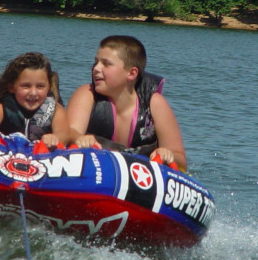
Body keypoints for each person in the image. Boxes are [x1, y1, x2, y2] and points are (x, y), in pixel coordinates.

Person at [66, 35, 187, 169]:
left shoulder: (155, 104)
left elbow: (180, 160)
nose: (96, 68)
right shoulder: (86, 94)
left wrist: (167, 154)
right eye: (96, 62)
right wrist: (79, 138)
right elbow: (71, 131)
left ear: (132, 73)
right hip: (96, 170)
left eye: (106, 64)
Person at [0, 52, 69, 149]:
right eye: (26, 86)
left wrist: (55, 138)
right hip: (6, 153)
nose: (33, 93)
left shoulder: (55, 110)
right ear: (11, 87)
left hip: (40, 157)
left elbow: (63, 133)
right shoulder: (1, 106)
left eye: (40, 86)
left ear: (49, 87)